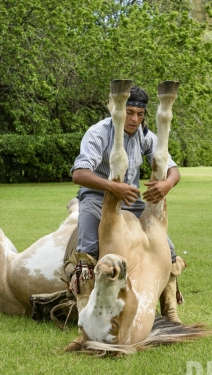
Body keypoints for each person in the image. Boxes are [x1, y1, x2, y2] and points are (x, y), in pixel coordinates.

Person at [70, 85, 183, 322]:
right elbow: (79, 174)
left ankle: (170, 310)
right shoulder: (99, 132)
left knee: (169, 250)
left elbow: (173, 168)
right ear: (119, 110)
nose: (134, 119)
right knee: (88, 248)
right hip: (96, 196)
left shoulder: (146, 135)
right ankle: (86, 312)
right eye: (129, 112)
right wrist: (112, 187)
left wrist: (167, 184)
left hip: (131, 200)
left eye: (140, 114)